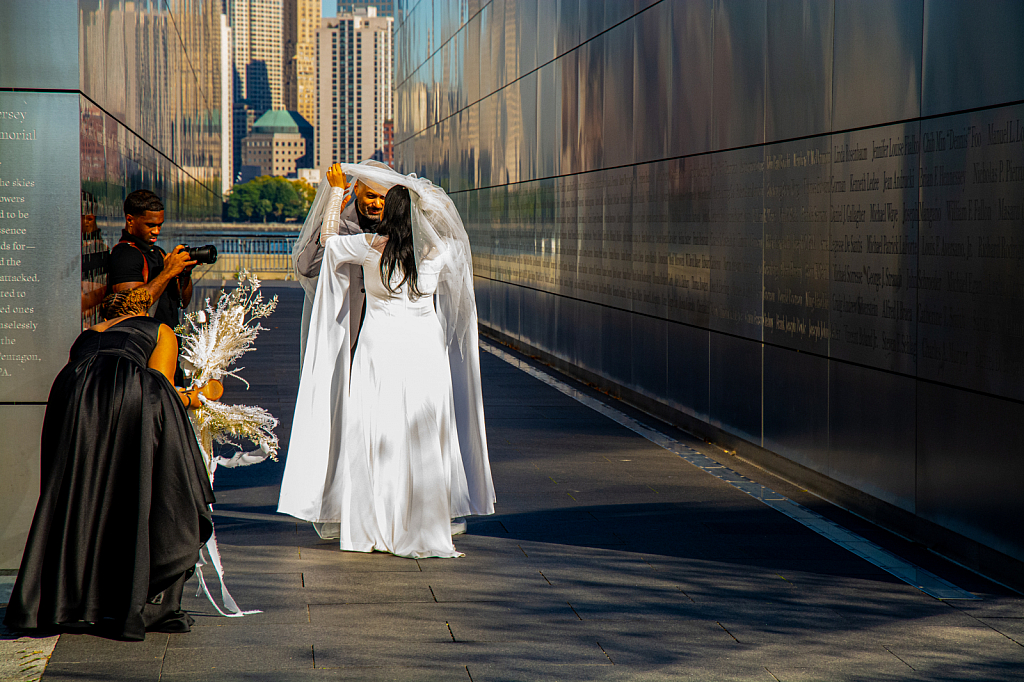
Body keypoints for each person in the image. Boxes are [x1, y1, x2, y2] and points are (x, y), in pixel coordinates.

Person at [278, 163, 494, 558]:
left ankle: (371, 524)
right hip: (425, 353)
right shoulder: (439, 251)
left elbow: (327, 240)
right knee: (426, 433)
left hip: (378, 347)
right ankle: (425, 520)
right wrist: (426, 203)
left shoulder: (365, 247)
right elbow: (454, 250)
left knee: (375, 432)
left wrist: (332, 196)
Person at [3, 288, 223, 640]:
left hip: (72, 393)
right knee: (132, 486)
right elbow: (160, 388)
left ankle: (64, 599)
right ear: (144, 309)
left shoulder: (87, 334)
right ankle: (131, 598)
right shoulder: (159, 330)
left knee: (79, 489)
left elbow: (88, 367)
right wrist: (195, 397)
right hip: (125, 390)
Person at [292, 159, 396, 363]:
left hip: (383, 329)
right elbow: (306, 268)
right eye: (371, 196)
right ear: (356, 189)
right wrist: (330, 220)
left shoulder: (396, 228)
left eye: (383, 198)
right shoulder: (338, 223)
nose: (377, 204)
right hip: (341, 325)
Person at [108, 189, 197, 330]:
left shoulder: (158, 252)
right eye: (150, 225)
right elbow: (128, 309)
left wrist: (185, 273)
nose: (156, 231)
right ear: (130, 220)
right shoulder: (125, 254)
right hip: (145, 348)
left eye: (160, 225)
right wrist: (167, 272)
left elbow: (183, 302)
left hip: (167, 344)